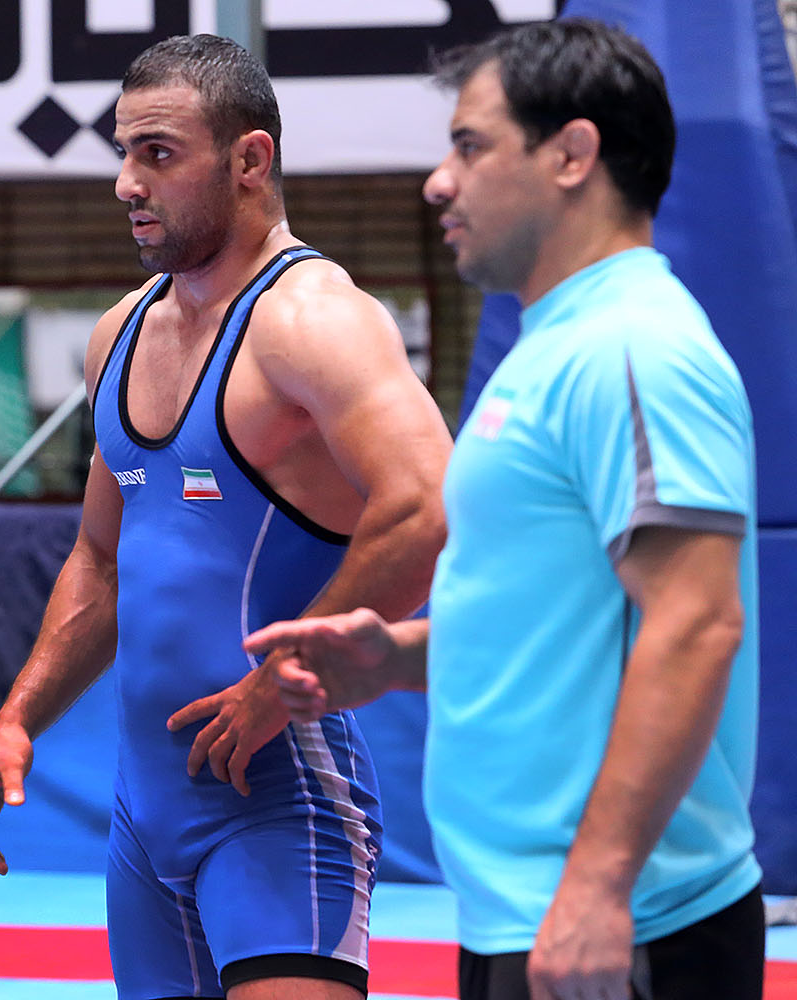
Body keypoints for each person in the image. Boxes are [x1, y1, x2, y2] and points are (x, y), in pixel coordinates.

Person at [256, 19, 764, 1000]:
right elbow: (559, 623)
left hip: (620, 923)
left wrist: (599, 885)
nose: (437, 182)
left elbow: (697, 624)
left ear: (572, 154)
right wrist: (398, 658)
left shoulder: (632, 350)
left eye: (469, 145)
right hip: (532, 912)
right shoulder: (554, 348)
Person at [0, 34, 454, 1000]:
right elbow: (100, 562)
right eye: (123, 152)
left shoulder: (313, 321)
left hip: (278, 799)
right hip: (143, 818)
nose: (126, 183)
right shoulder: (121, 333)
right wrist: (17, 721)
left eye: (158, 153)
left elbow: (427, 504)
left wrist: (282, 681)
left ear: (249, 160)